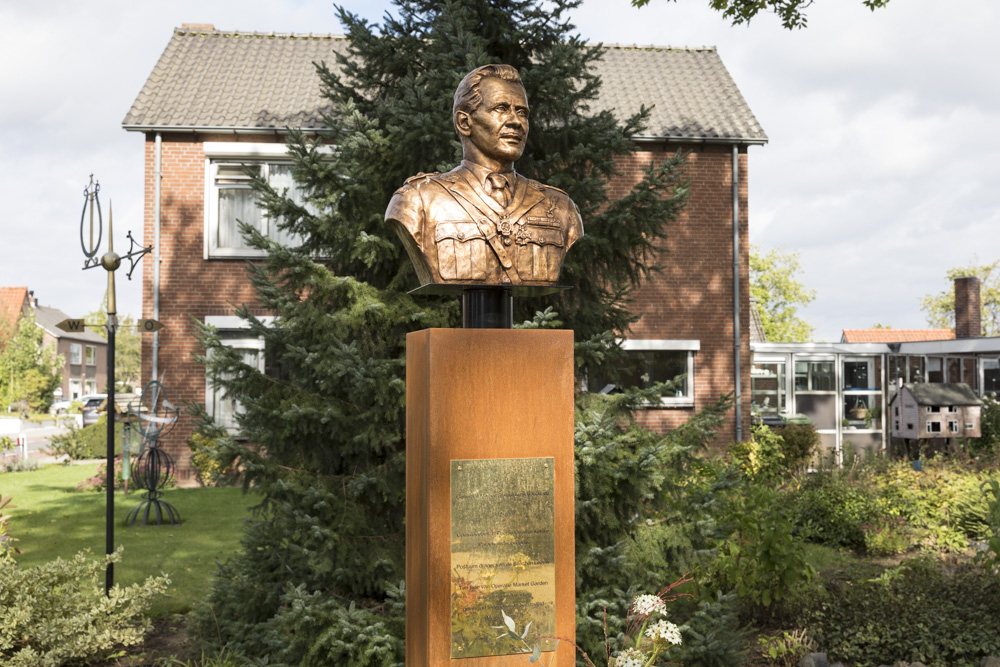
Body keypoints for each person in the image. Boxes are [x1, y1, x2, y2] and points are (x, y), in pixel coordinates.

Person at [385, 64, 583, 287]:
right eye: (500, 108)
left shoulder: (560, 206)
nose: (516, 122)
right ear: (464, 123)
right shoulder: (419, 200)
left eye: (522, 112)